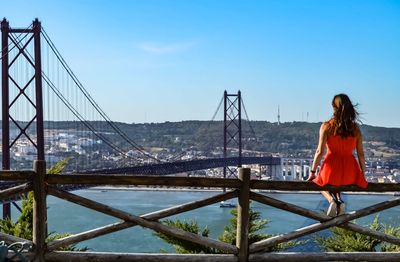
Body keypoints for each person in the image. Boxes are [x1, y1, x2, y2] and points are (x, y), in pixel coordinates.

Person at [307, 94, 368, 217]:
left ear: (334, 107)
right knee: (336, 183)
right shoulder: (355, 129)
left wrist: (313, 171)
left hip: (331, 165)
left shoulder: (327, 126)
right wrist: (362, 173)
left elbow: (319, 151)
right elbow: (360, 154)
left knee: (317, 181)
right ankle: (339, 201)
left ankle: (331, 200)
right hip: (350, 170)